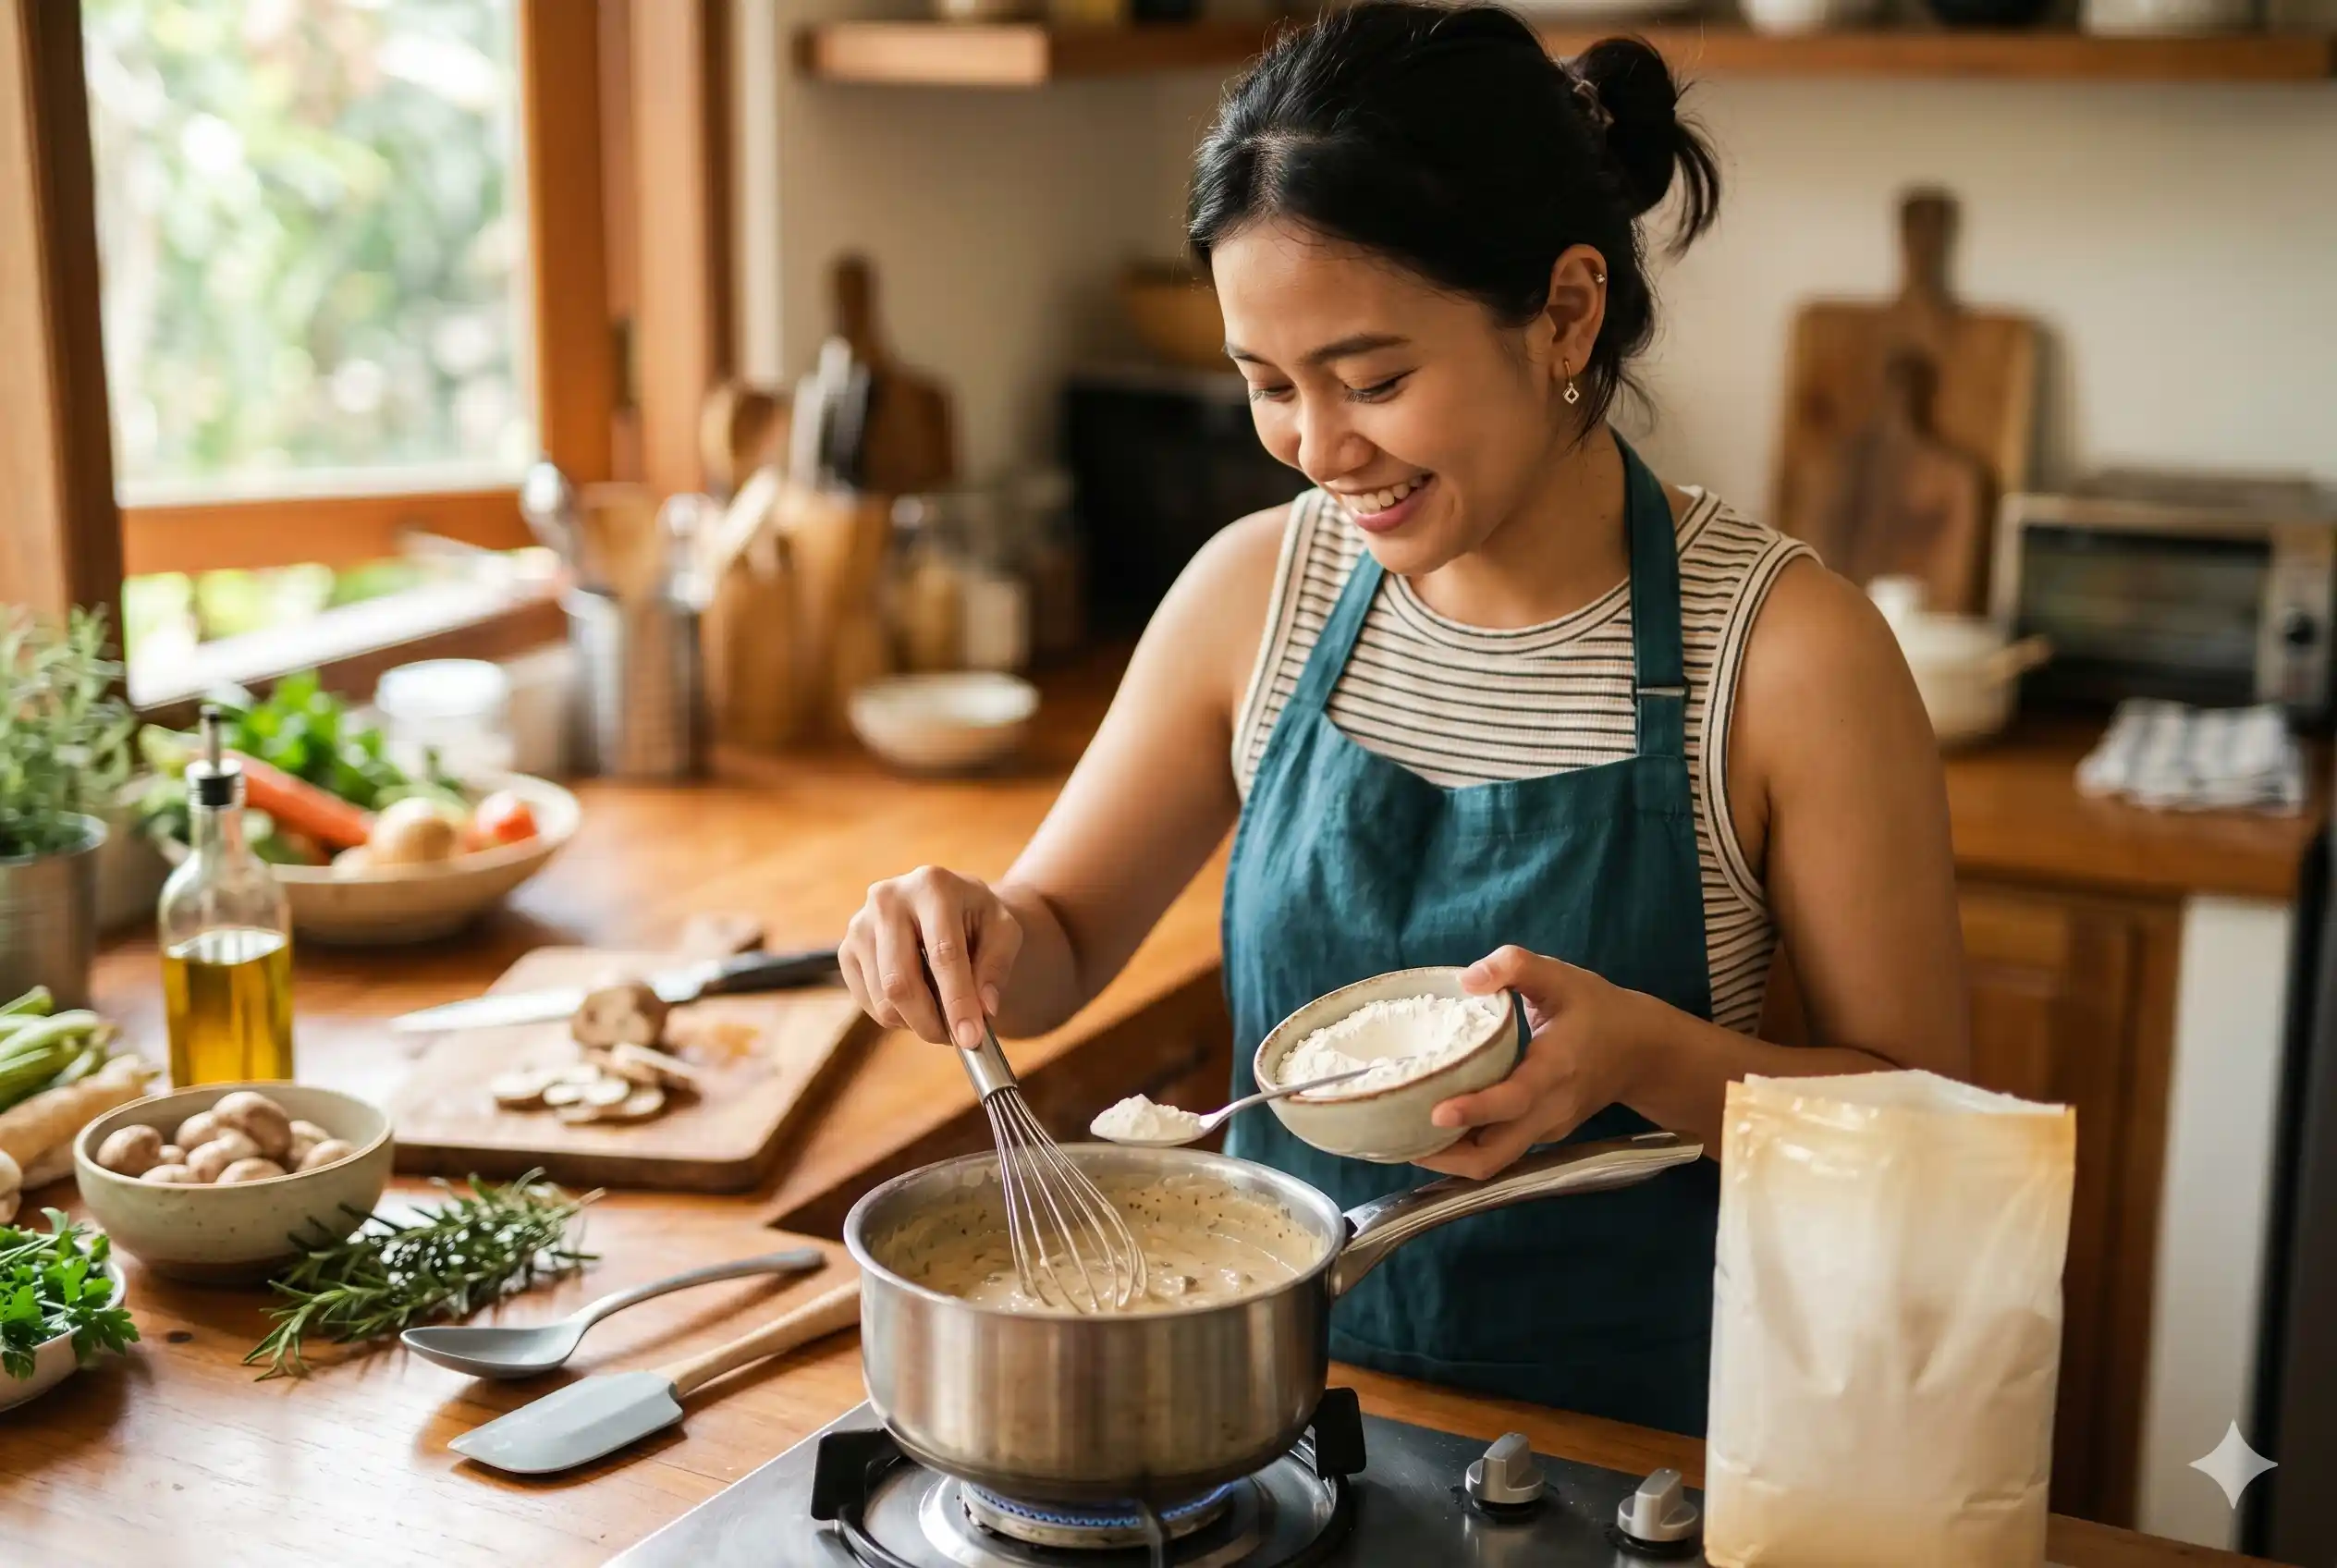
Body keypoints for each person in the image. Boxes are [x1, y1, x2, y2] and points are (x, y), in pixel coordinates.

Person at [838, 1, 1969, 1436]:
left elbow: (1933, 1151)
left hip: (1641, 1454)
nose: (1321, 448)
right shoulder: (1260, 591)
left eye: (1374, 380)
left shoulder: (1792, 657)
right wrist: (959, 934)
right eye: (1267, 387)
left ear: (1566, 310)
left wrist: (1645, 1055)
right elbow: (1053, 943)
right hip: (1282, 1419)